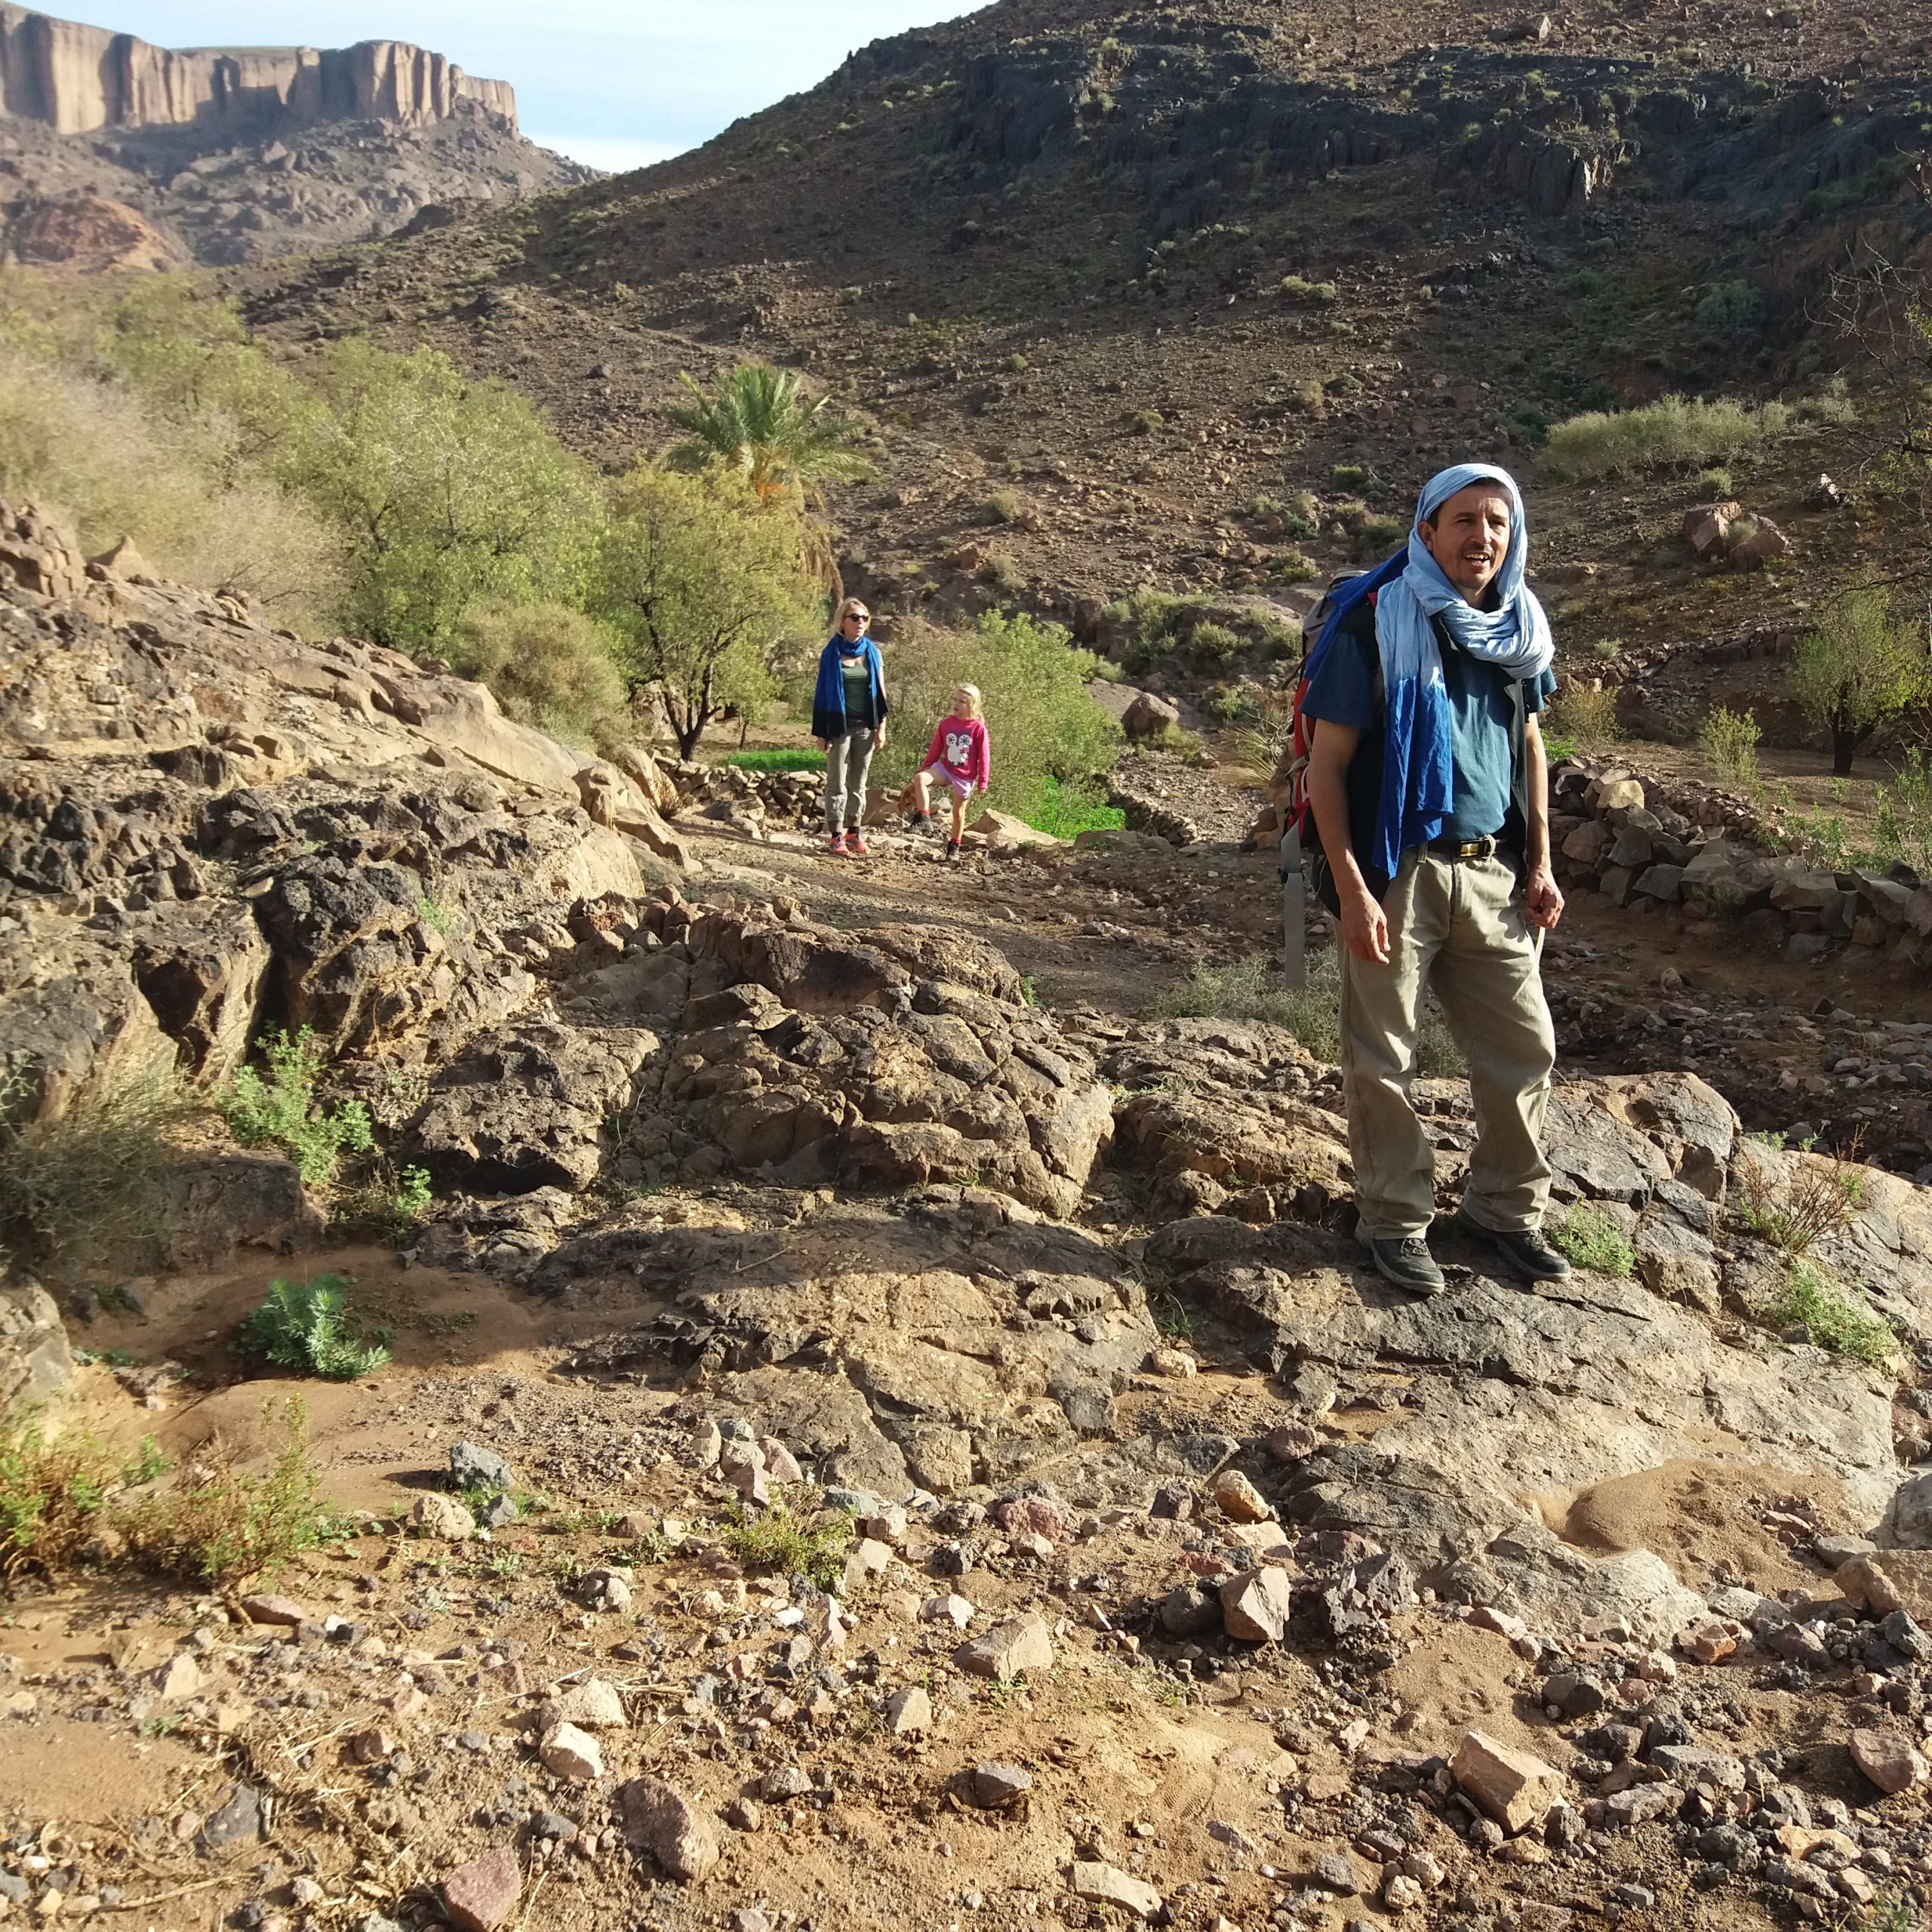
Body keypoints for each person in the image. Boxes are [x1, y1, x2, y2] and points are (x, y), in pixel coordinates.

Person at [1301, 462, 1571, 1298]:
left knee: (1525, 1049)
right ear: (1426, 531)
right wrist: (1349, 886)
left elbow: (1529, 744)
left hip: (1492, 872)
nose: (1481, 536)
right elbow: (1327, 766)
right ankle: (1393, 1220)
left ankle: (1503, 1210)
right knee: (1383, 1055)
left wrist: (1542, 861)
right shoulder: (1373, 620)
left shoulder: (1519, 628)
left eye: (1496, 520)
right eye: (1463, 520)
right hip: (1397, 874)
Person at [812, 597, 888, 856]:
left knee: (859, 783)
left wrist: (882, 728)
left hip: (866, 726)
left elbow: (881, 692)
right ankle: (836, 835)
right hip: (838, 726)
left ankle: (855, 832)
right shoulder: (831, 653)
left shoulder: (873, 653)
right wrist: (822, 732)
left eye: (864, 618)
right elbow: (822, 693)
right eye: (854, 618)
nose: (860, 623)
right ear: (842, 622)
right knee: (837, 782)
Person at [907, 683, 990, 861]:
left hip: (965, 775)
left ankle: (954, 847)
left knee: (958, 814)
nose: (957, 704)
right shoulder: (946, 724)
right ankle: (924, 817)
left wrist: (983, 780)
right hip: (945, 769)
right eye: (955, 699)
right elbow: (935, 748)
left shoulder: (978, 727)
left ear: (971, 705)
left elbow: (984, 755)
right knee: (920, 779)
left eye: (962, 701)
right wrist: (927, 767)